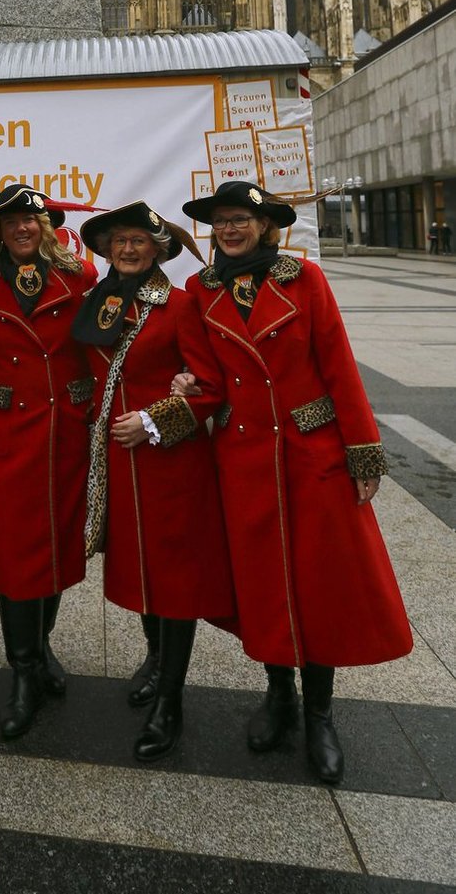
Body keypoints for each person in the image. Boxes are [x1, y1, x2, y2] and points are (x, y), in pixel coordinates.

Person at [177, 180, 412, 785]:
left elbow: (338, 364)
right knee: (263, 582)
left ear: (264, 226)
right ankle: (277, 693)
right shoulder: (199, 291)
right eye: (222, 220)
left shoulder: (303, 280)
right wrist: (170, 406)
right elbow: (205, 379)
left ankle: (319, 714)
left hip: (313, 456)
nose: (231, 229)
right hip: (244, 458)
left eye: (242, 220)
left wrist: (362, 454)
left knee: (319, 582)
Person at [72, 200, 235, 761]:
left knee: (174, 578)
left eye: (140, 239)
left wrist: (155, 417)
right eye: (119, 240)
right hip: (118, 461)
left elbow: (211, 385)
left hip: (169, 465)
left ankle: (171, 700)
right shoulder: (98, 300)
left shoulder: (181, 305)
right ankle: (155, 657)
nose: (128, 248)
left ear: (159, 247)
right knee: (141, 567)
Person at [0, 185, 98, 739]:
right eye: (12, 220)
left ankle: (40, 649)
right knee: (18, 557)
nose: (23, 227)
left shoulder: (82, 281)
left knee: (57, 546)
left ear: (47, 226)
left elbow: (108, 348)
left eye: (33, 219)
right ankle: (23, 673)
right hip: (6, 437)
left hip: (63, 435)